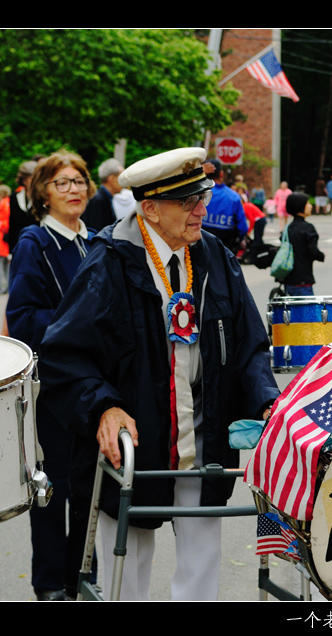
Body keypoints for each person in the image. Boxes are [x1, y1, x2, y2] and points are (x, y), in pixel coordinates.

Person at [37, 147, 281, 601]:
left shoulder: (215, 257)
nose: (202, 211)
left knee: (202, 572)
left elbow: (249, 347)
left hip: (202, 440)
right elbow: (62, 355)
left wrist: (267, 399)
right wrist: (103, 407)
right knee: (125, 573)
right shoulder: (109, 262)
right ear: (149, 208)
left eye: (202, 198)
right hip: (136, 446)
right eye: (188, 202)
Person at [6, 150, 98, 601]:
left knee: (91, 483)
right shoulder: (34, 243)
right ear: (42, 192)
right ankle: (49, 585)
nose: (74, 189)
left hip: (95, 384)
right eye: (62, 183)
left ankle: (83, 575)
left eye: (79, 180)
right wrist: (77, 321)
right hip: (52, 386)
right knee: (51, 489)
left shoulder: (99, 241)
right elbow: (21, 318)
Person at [201, 158, 249, 255]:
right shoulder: (233, 197)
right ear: (221, 174)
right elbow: (243, 227)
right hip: (226, 248)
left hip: (201, 246)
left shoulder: (199, 194)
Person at [283, 193, 325, 296]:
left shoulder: (288, 227)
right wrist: (321, 256)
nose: (311, 206)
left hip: (288, 278)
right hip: (303, 279)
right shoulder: (308, 228)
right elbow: (313, 251)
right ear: (300, 207)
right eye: (308, 203)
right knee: (307, 311)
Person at [82, 158, 124, 232]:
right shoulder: (99, 200)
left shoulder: (103, 197)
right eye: (121, 177)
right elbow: (97, 232)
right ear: (112, 179)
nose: (124, 182)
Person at [6, 160, 37, 255]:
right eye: (30, 177)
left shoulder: (42, 198)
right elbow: (12, 224)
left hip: (37, 245)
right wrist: (11, 251)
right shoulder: (14, 197)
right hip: (18, 245)